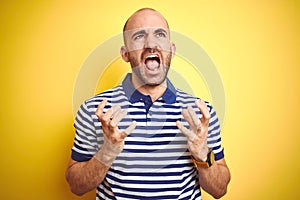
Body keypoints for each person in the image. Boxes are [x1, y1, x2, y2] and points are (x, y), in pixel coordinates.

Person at [66, 8, 231, 199]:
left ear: (172, 49)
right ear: (125, 53)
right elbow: (76, 186)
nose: (151, 44)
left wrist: (203, 155)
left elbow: (220, 190)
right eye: (139, 36)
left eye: (159, 34)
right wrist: (107, 152)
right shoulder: (95, 111)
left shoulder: (201, 114)